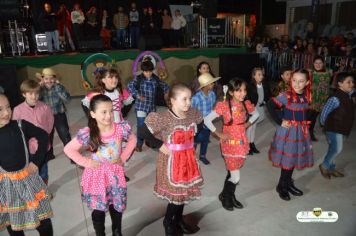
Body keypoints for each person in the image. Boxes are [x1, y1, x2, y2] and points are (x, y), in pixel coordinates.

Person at [64, 94, 137, 236]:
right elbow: (68, 149)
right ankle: (100, 233)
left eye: (111, 111)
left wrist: (123, 157)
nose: (109, 115)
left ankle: (117, 232)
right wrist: (87, 162)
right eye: (103, 112)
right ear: (93, 114)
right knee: (98, 209)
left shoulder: (121, 128)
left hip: (115, 175)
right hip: (96, 176)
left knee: (116, 205)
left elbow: (133, 139)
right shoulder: (89, 133)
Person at [138, 83, 204, 236]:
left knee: (183, 193)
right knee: (175, 196)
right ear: (173, 101)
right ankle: (168, 221)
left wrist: (192, 136)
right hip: (171, 161)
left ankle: (178, 220)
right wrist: (159, 144)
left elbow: (200, 124)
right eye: (184, 99)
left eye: (190, 99)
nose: (188, 102)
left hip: (188, 160)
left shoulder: (193, 113)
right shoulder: (164, 118)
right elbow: (142, 131)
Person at [0, 93, 53, 236]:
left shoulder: (20, 125)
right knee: (14, 225)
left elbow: (43, 135)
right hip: (6, 187)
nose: (6, 113)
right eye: (0, 109)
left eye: (8, 107)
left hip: (28, 180)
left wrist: (36, 161)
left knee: (43, 222)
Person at [204, 79, 259, 211]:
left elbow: (256, 113)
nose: (242, 93)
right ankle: (226, 197)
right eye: (238, 90)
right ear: (231, 92)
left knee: (233, 171)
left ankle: (228, 195)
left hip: (242, 142)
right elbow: (207, 120)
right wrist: (218, 134)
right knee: (236, 176)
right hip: (229, 144)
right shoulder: (224, 105)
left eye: (244, 90)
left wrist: (247, 124)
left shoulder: (246, 103)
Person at [267, 69, 313, 201]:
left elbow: (305, 111)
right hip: (288, 133)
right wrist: (280, 121)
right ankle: (282, 186)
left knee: (293, 158)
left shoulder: (306, 96)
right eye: (294, 80)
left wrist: (304, 125)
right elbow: (270, 105)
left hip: (300, 132)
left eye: (301, 81)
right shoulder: (286, 95)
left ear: (307, 82)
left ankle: (288, 183)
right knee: (288, 159)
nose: (297, 84)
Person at [12, 79, 54, 186]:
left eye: (36, 93)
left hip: (43, 147)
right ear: (23, 94)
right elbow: (16, 129)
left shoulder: (45, 107)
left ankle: (44, 191)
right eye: (30, 93)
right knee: (31, 173)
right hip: (27, 149)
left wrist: (44, 135)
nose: (34, 96)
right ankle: (35, 190)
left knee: (43, 171)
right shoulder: (17, 110)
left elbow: (50, 122)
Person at [128, 60, 169, 152]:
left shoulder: (155, 79)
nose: (148, 73)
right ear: (142, 71)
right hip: (141, 107)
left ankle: (150, 142)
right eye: (146, 71)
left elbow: (165, 85)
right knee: (141, 126)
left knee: (151, 126)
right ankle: (139, 144)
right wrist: (137, 95)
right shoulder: (138, 79)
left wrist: (166, 92)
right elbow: (130, 86)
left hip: (151, 107)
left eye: (150, 71)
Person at [319, 72, 355, 179]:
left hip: (343, 128)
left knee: (333, 148)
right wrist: (324, 125)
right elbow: (324, 113)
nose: (351, 84)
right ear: (340, 84)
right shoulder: (335, 98)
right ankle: (324, 166)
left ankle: (331, 168)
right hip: (334, 128)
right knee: (337, 149)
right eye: (348, 82)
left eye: (352, 82)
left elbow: (353, 91)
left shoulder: (348, 94)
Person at [37, 68, 71, 160]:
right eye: (46, 78)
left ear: (55, 79)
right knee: (47, 136)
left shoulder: (59, 87)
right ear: (42, 79)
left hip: (59, 115)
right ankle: (49, 154)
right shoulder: (39, 89)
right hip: (46, 117)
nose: (49, 81)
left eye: (51, 78)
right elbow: (36, 100)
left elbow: (67, 99)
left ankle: (71, 154)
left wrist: (58, 87)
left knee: (65, 134)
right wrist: (38, 89)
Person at [192, 73, 220, 165]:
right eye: (211, 83)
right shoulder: (196, 98)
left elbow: (212, 107)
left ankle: (203, 155)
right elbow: (192, 110)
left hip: (208, 122)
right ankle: (192, 157)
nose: (213, 84)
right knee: (195, 140)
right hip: (198, 123)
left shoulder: (212, 94)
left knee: (205, 139)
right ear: (205, 85)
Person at [246, 68, 271, 155]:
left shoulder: (264, 84)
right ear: (254, 76)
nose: (261, 76)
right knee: (250, 128)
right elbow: (247, 98)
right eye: (259, 74)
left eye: (262, 75)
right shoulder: (250, 86)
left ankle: (252, 143)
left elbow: (268, 94)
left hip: (259, 108)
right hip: (252, 108)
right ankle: (247, 145)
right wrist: (250, 107)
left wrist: (264, 101)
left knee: (254, 127)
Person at [308, 56, 331, 141]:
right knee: (310, 116)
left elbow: (327, 86)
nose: (318, 65)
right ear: (313, 64)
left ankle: (308, 132)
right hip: (311, 98)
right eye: (316, 63)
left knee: (313, 116)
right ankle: (308, 133)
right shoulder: (310, 73)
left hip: (321, 99)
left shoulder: (327, 73)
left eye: (320, 63)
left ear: (323, 64)